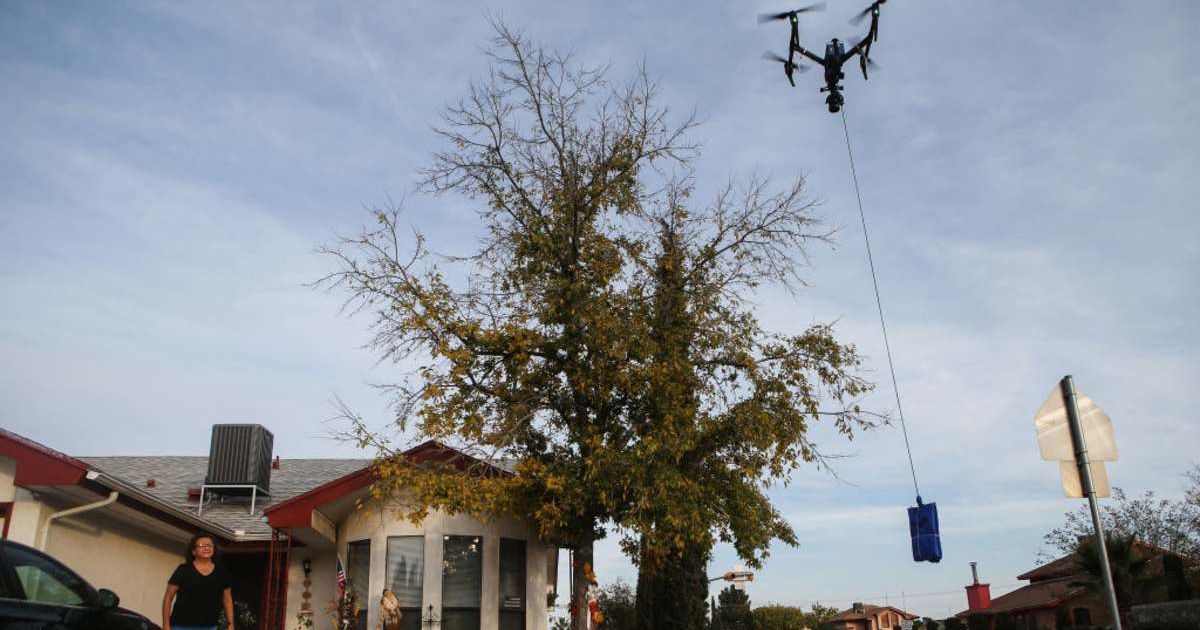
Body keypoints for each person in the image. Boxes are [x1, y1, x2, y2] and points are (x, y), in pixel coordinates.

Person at [162, 532, 235, 630]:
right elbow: (168, 598)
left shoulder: (222, 572)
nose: (206, 548)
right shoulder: (183, 570)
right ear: (193, 551)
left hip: (209, 626)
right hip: (181, 625)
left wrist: (230, 624)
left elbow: (227, 600)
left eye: (209, 545)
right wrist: (166, 625)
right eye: (202, 545)